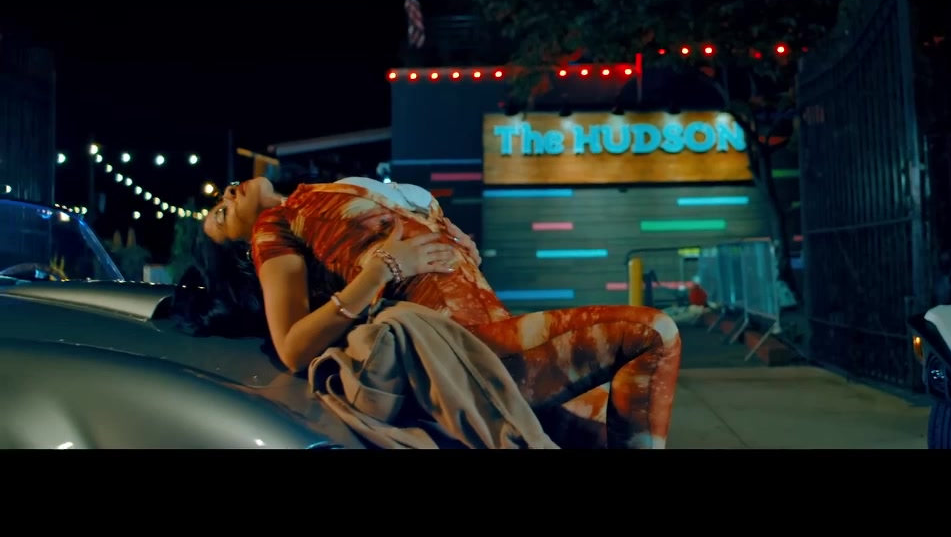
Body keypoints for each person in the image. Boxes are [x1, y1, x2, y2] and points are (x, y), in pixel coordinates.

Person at [185, 175, 682, 449]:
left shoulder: (315, 194)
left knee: (608, 433)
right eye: (222, 216)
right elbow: (293, 347)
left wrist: (457, 245)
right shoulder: (273, 226)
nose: (227, 194)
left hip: (500, 332)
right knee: (652, 333)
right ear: (241, 246)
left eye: (220, 199)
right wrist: (380, 273)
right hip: (470, 354)